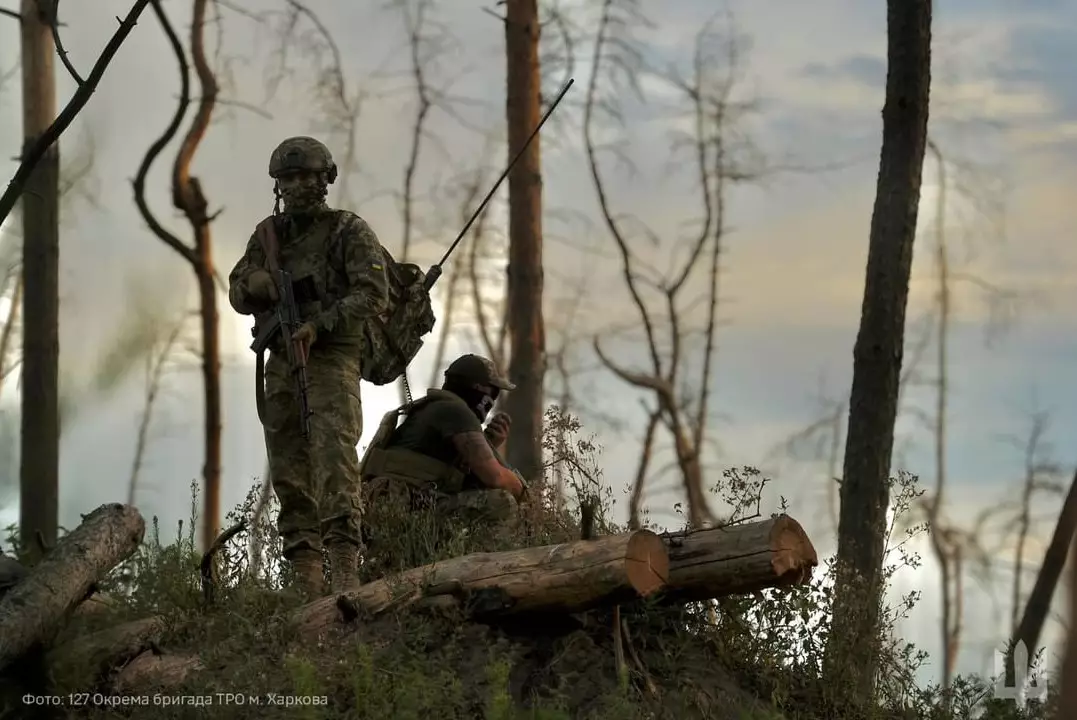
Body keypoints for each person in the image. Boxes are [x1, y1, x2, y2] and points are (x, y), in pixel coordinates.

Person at [227, 136, 389, 596]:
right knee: (288, 463)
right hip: (281, 358)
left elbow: (373, 294)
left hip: (332, 357)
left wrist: (320, 324)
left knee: (335, 459)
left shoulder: (348, 231)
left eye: (306, 177)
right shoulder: (268, 237)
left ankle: (344, 568)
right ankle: (305, 573)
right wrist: (256, 284)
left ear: (325, 180)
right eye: (288, 178)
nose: (297, 186)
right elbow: (237, 289)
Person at [359, 354, 527, 573]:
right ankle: (485, 575)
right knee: (501, 503)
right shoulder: (455, 411)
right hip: (403, 510)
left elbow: (452, 478)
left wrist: (491, 443)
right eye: (492, 392)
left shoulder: (433, 409)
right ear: (477, 389)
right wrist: (523, 491)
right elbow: (494, 477)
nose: (493, 401)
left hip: (389, 514)